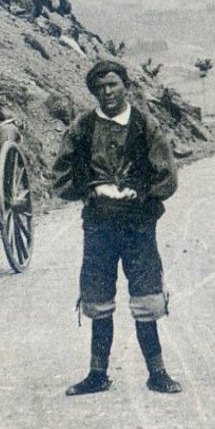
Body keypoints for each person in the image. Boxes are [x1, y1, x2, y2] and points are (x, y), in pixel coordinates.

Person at [52, 59, 182, 395]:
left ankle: (157, 373)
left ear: (126, 86)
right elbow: (61, 176)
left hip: (138, 225)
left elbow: (167, 176)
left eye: (113, 85)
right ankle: (97, 374)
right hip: (98, 224)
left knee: (146, 296)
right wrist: (92, 189)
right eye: (100, 88)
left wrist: (140, 191)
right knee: (97, 297)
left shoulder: (144, 125)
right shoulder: (83, 127)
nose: (107, 92)